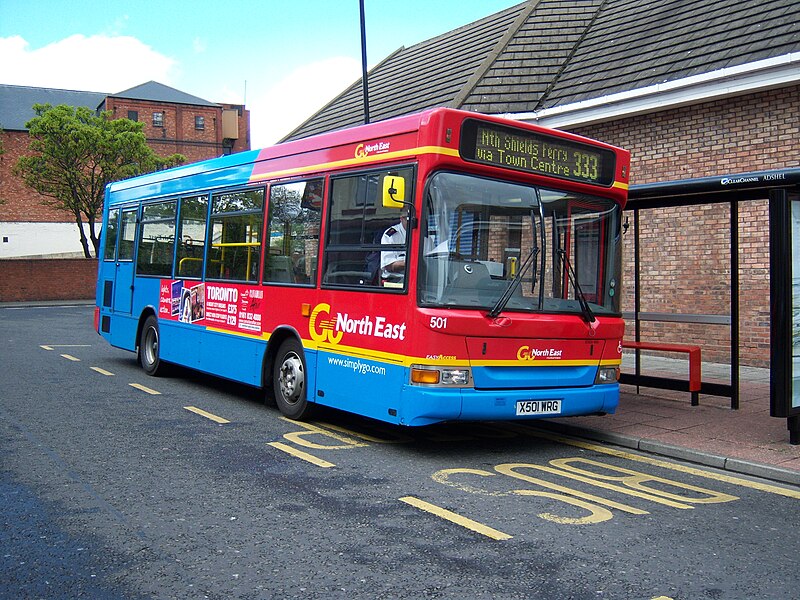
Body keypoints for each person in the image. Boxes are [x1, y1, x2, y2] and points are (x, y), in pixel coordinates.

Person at [380, 208, 408, 285]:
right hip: (395, 280)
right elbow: (388, 266)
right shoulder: (391, 235)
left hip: (420, 279)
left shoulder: (425, 237)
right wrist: (412, 263)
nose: (412, 222)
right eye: (408, 219)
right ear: (402, 218)